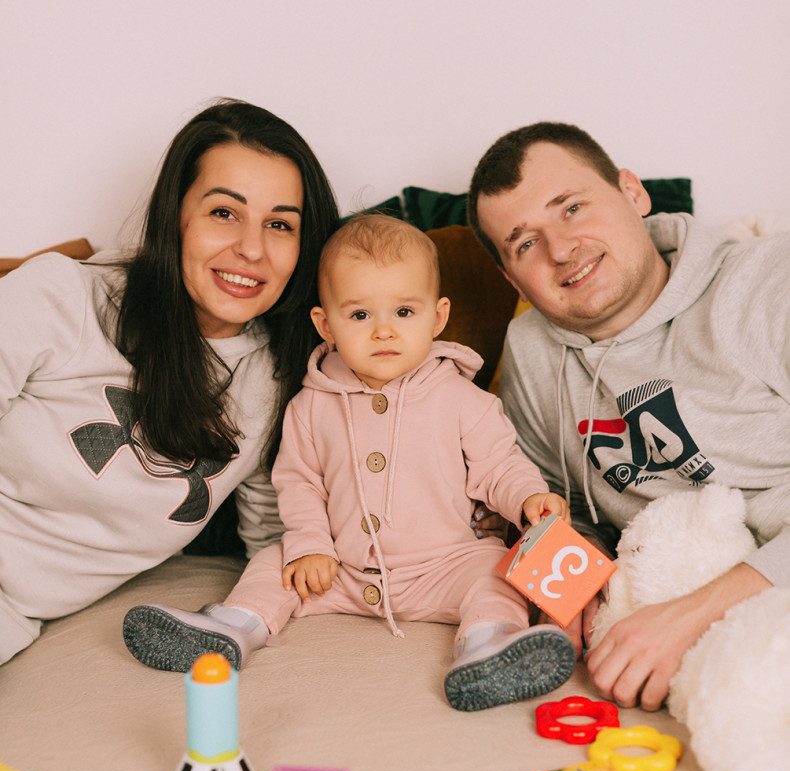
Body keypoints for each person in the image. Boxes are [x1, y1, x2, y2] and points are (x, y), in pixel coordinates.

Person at [123, 213, 577, 712]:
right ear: (326, 325)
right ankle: (234, 626)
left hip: (443, 566)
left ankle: (488, 643)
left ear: (437, 317)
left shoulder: (464, 399)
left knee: (495, 568)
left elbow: (500, 465)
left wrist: (529, 498)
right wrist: (311, 547)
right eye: (360, 315)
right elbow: (299, 484)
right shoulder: (310, 405)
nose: (383, 331)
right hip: (341, 571)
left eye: (404, 312)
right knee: (274, 561)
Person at [0, 98, 339, 665]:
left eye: (280, 224)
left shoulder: (280, 382)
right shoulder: (59, 296)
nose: (251, 249)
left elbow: (277, 539)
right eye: (224, 212)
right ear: (174, 216)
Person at [466, 121, 786, 711]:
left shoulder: (770, 281)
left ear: (632, 193)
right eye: (525, 243)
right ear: (512, 280)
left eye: (571, 208)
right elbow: (557, 507)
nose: (561, 250)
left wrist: (690, 617)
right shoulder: (532, 352)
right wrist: (566, 591)